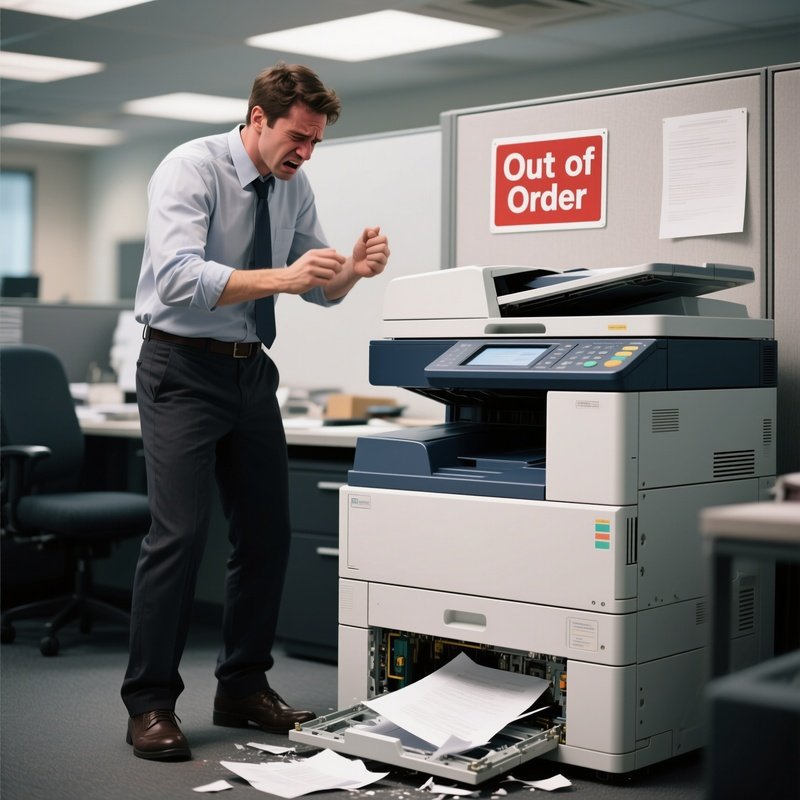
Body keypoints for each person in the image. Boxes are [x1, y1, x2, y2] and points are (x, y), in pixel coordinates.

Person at [121, 62, 390, 761]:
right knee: (178, 537)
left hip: (248, 374)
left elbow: (317, 285)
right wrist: (286, 277)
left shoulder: (293, 188)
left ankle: (242, 685)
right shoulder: (192, 169)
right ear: (258, 118)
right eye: (296, 137)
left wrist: (352, 272)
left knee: (268, 534)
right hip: (180, 367)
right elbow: (178, 278)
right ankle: (149, 702)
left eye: (315, 142)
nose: (303, 152)